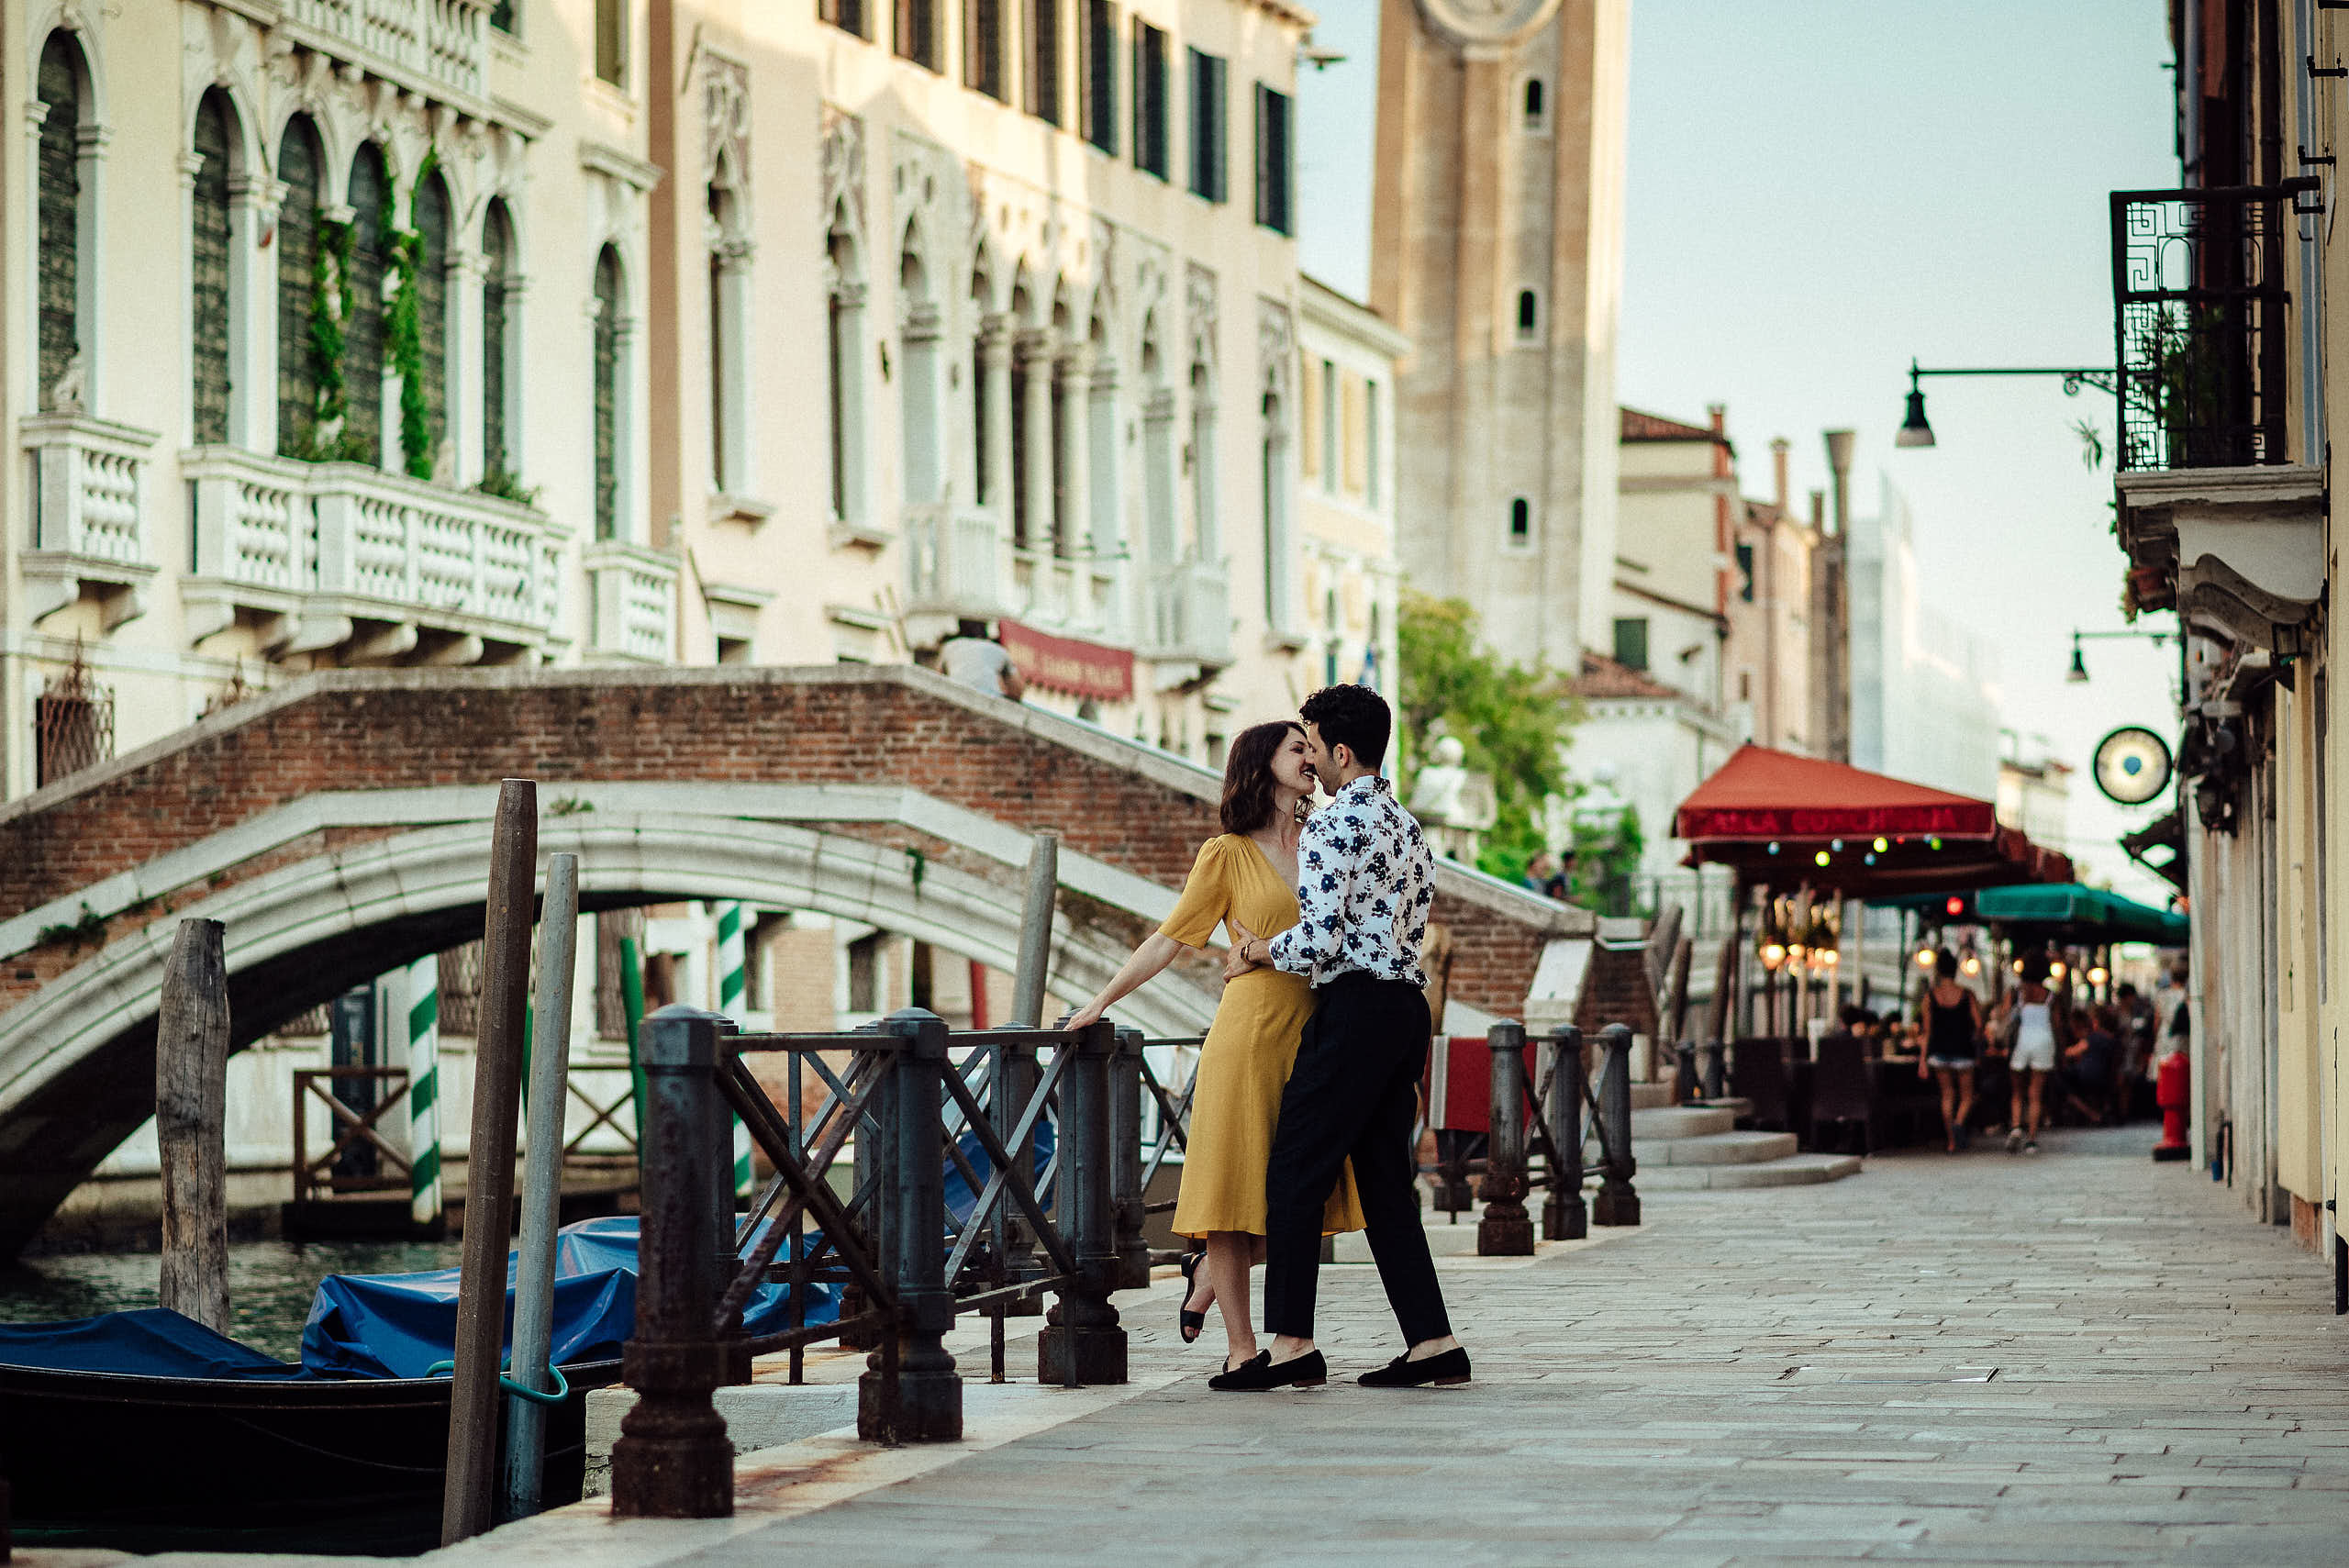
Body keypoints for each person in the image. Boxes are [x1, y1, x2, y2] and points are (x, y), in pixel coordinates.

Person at [1064, 720, 1362, 1374]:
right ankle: (1241, 1349)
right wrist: (1101, 1001)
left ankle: (1204, 1274)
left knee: (1297, 1197)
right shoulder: (1225, 853)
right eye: (1297, 747)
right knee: (1232, 1194)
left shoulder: (1323, 841)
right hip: (1247, 1037)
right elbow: (1169, 940)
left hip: (1311, 1036)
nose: (1310, 756)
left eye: (1312, 747)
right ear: (1264, 763)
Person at [1211, 684, 1467, 1392]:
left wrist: (1260, 950)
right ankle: (1432, 1341)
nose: (1312, 762)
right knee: (1386, 1180)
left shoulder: (1330, 827)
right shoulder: (1407, 826)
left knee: (1294, 1168)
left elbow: (1321, 938)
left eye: (1315, 746)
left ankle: (1291, 1343)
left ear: (1342, 751)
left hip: (1354, 1007)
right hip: (1404, 1009)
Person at [1917, 950, 1984, 1154]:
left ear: (1937, 970)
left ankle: (1951, 1142)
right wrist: (1974, 1036)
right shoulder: (1967, 994)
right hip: (1963, 1050)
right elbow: (1979, 1024)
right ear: (1956, 970)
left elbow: (1926, 1031)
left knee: (1947, 1095)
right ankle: (1958, 1122)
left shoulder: (1930, 996)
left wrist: (1922, 1061)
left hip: (1938, 1051)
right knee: (1967, 1096)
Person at [2001, 951, 2068, 1153]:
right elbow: (2057, 1026)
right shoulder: (2050, 995)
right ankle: (2031, 1138)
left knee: (2017, 1091)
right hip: (2044, 1041)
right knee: (2035, 1093)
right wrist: (2061, 1052)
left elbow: (2003, 1014)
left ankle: (2015, 1127)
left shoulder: (2016, 992)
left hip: (2023, 1040)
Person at [939, 618, 1026, 701]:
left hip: (955, 697)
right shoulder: (998, 650)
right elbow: (1017, 691)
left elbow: (939, 678)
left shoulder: (949, 646)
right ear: (986, 627)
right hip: (990, 700)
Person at [2061, 1005, 2120, 1126]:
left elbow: (2070, 1053)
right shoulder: (2113, 1039)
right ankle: (2099, 1112)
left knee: (2062, 1085)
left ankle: (2092, 1115)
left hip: (2087, 1077)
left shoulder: (2092, 1038)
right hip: (2105, 1078)